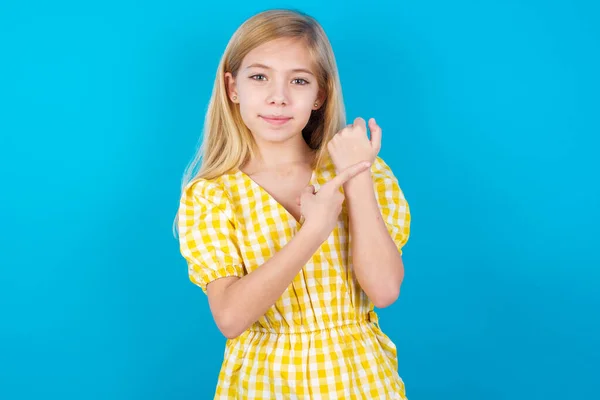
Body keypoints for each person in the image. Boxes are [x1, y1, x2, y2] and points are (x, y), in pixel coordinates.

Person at [175, 8, 412, 399]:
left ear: (320, 94)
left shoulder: (363, 170)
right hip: (264, 383)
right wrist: (313, 231)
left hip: (361, 380)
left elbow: (384, 290)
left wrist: (358, 176)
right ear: (233, 88)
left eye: (298, 80)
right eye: (259, 77)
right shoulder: (212, 195)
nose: (278, 98)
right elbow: (231, 317)